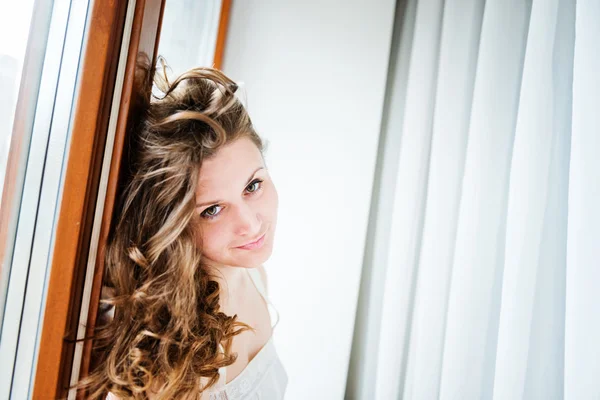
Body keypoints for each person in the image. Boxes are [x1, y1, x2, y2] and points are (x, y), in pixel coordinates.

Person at [82, 60, 288, 399]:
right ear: (174, 225)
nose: (251, 224)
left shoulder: (253, 275)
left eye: (253, 186)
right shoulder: (171, 354)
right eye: (212, 210)